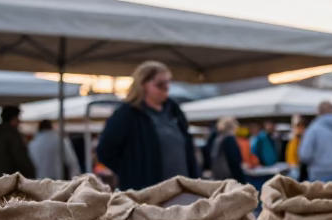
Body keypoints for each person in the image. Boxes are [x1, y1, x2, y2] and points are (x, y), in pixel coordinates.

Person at [96, 61, 199, 190]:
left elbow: (187, 147)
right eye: (160, 84)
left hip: (181, 189)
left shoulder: (174, 111)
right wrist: (131, 173)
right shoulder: (127, 114)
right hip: (147, 192)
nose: (166, 87)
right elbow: (105, 151)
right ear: (144, 84)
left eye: (168, 82)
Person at [0, 106, 37, 178]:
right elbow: (21, 158)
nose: (19, 122)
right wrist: (30, 174)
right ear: (14, 119)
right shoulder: (12, 133)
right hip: (6, 179)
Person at [207, 116, 248, 182]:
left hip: (219, 175)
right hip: (230, 176)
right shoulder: (229, 139)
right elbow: (234, 160)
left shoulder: (218, 139)